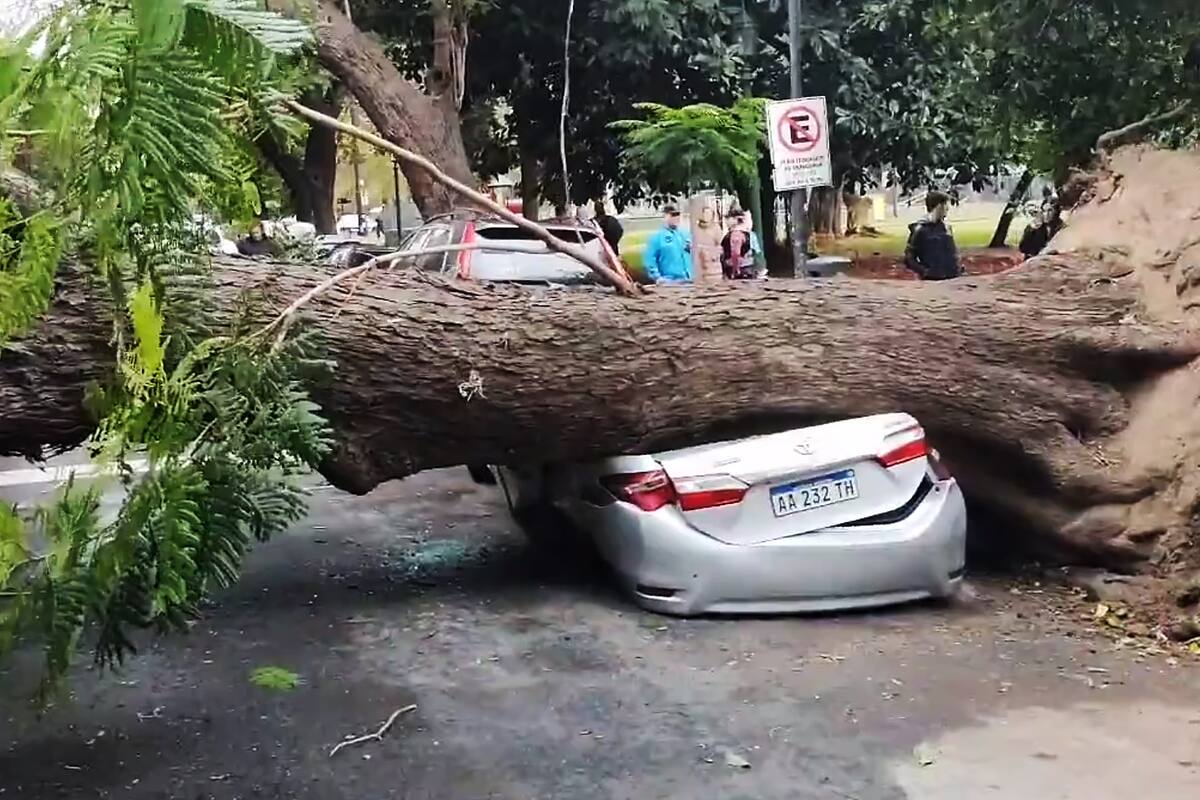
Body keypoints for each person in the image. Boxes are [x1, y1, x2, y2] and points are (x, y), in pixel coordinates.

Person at [904, 190, 961, 280]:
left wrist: (957, 267)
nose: (948, 209)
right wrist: (925, 271)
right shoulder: (920, 229)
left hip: (953, 279)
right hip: (932, 282)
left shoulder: (947, 228)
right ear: (939, 206)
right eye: (946, 205)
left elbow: (952, 252)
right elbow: (909, 258)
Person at [642, 205, 692, 283]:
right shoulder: (656, 237)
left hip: (690, 280)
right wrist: (658, 278)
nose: (676, 218)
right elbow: (650, 260)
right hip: (670, 282)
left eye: (678, 215)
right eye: (673, 215)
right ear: (664, 216)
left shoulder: (685, 235)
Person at [720, 209, 755, 280]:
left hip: (736, 267)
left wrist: (735, 269)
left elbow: (735, 253)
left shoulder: (735, 235)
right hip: (746, 265)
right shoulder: (747, 234)